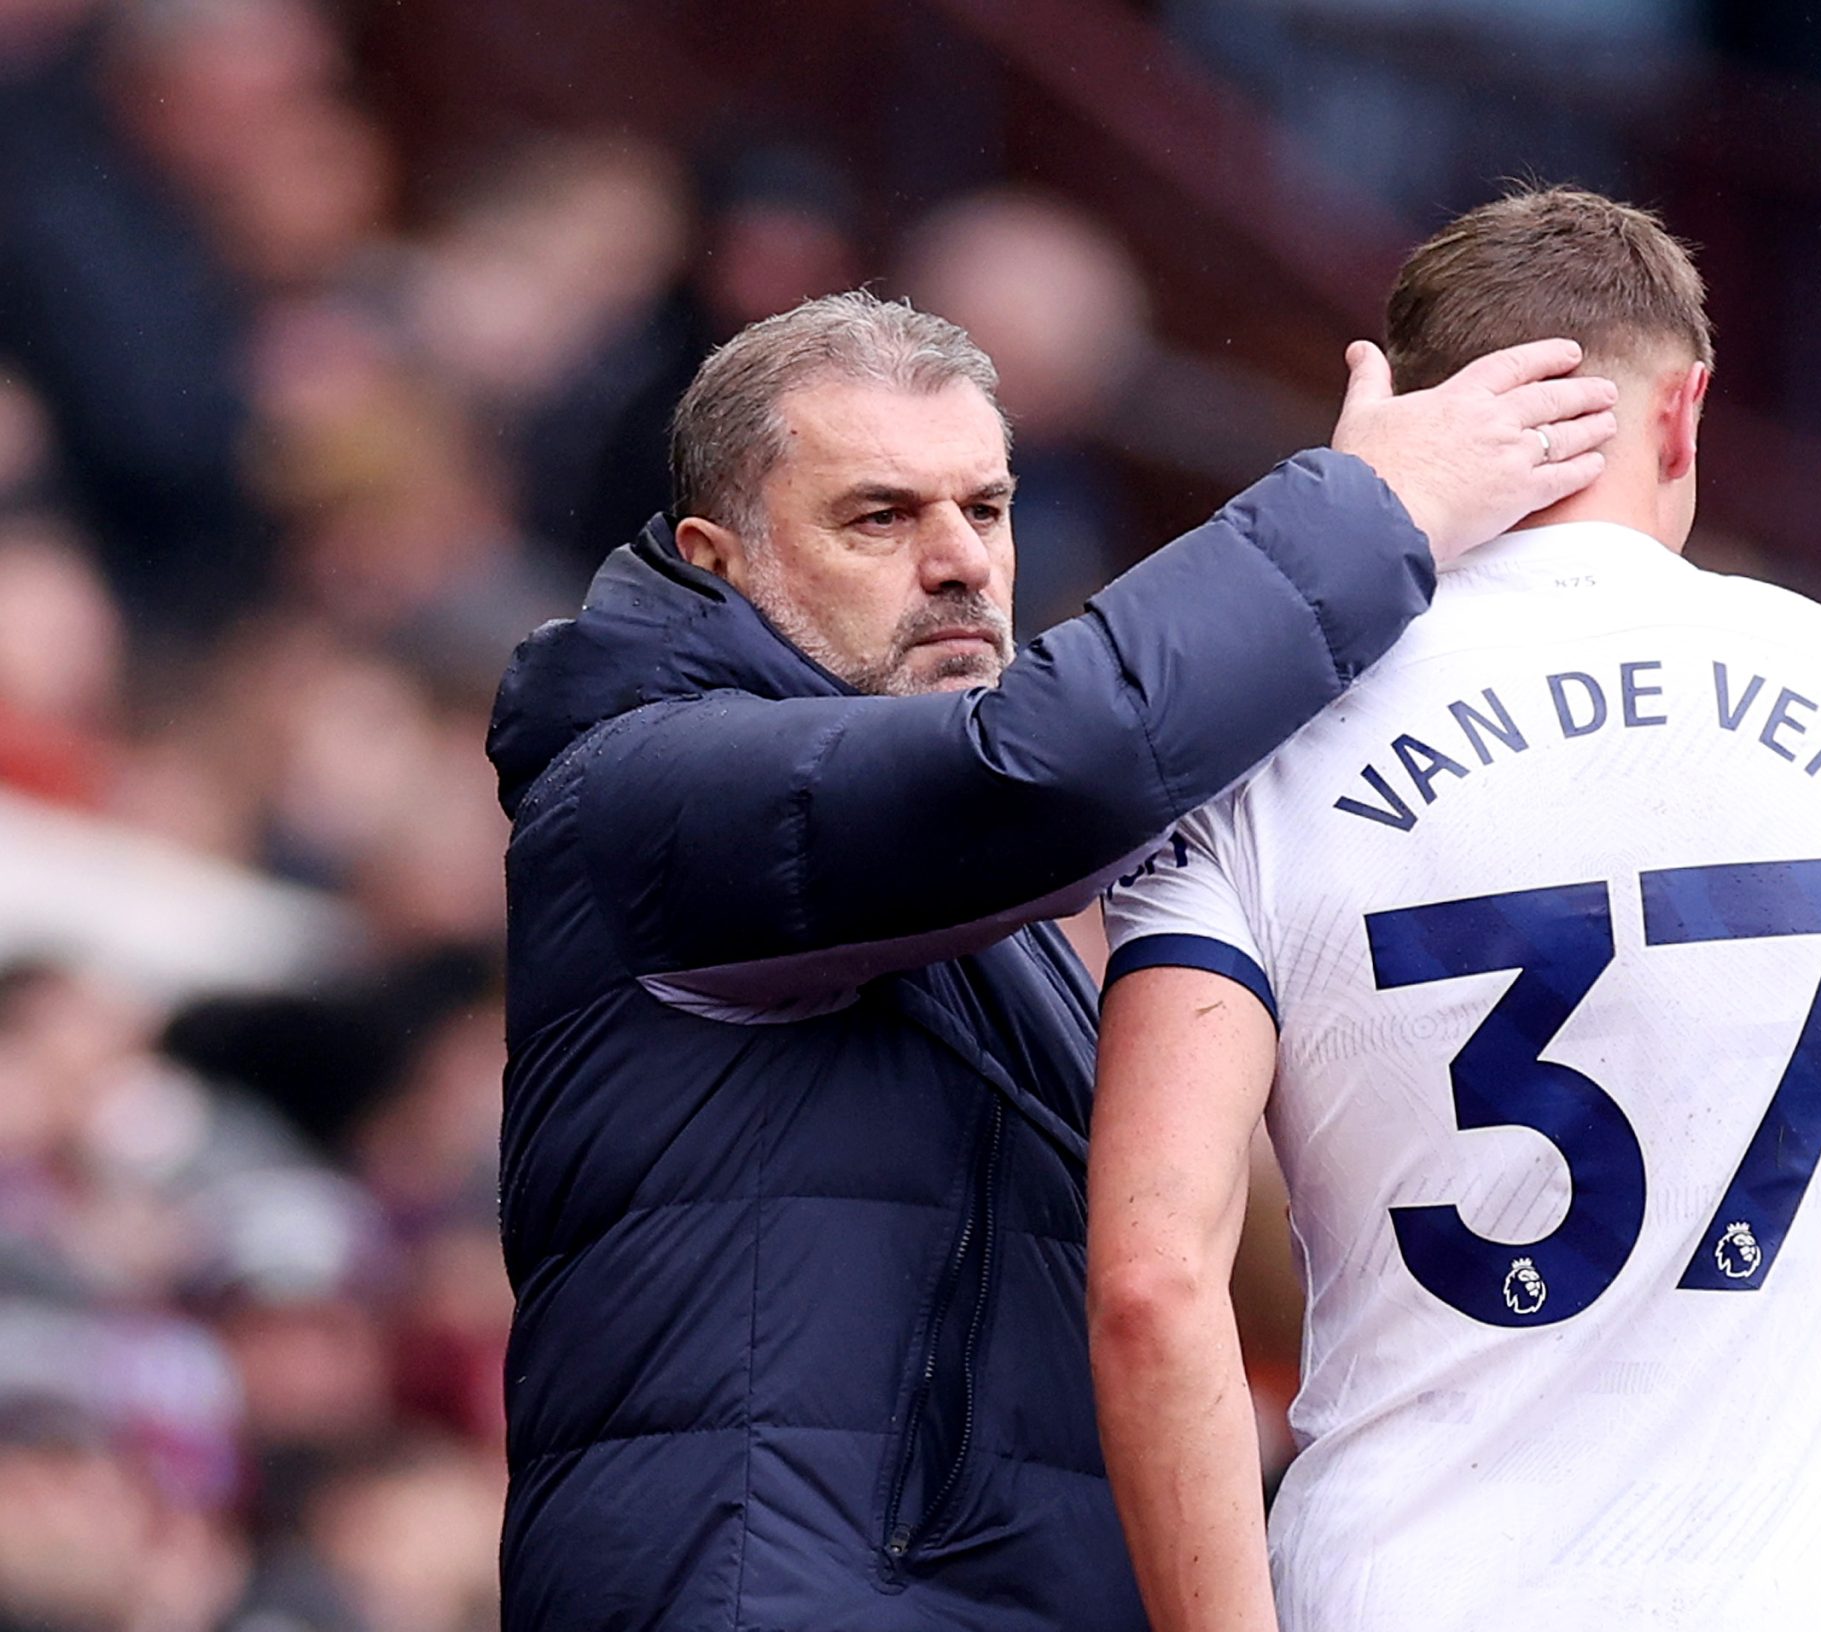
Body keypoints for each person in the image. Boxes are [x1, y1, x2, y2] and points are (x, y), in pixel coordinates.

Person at [483, 287, 1615, 1631]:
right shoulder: (645, 790)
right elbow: (1061, 766)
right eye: (881, 516)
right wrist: (1374, 505)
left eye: (988, 507)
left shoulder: (960, 898)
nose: (961, 559)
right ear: (714, 560)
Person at [1086, 188, 1821, 1631]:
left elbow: (1151, 1283)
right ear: (1684, 412)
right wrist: (1729, 1296)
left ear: (1385, 410)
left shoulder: (1255, 735)